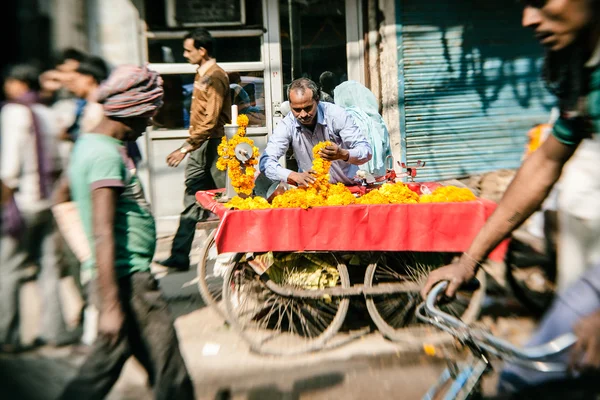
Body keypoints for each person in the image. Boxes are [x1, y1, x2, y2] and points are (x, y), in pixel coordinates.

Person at [420, 0, 600, 392]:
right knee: (521, 382)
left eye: (541, 1)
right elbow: (545, 163)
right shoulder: (583, 73)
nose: (528, 19)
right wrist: (468, 261)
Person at [59, 65, 194, 399]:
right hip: (127, 280)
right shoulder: (105, 155)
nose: (150, 124)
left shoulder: (87, 144)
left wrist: (86, 255)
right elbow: (104, 232)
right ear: (132, 111)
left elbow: (60, 197)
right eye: (148, 116)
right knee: (167, 366)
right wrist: (110, 306)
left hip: (115, 278)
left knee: (123, 366)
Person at [0, 64, 70, 351]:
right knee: (49, 268)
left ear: (18, 84)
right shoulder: (47, 112)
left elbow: (9, 164)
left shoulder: (13, 112)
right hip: (48, 200)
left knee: (9, 268)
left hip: (23, 201)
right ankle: (55, 332)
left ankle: (7, 336)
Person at [157, 28, 231, 271]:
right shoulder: (202, 75)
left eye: (188, 50)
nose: (184, 54)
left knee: (228, 201)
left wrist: (185, 148)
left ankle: (242, 254)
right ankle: (179, 255)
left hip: (213, 145)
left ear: (202, 50)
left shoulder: (215, 76)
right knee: (192, 198)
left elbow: (210, 121)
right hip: (202, 145)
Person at [259, 78, 372, 187]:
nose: (303, 115)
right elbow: (265, 162)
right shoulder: (287, 124)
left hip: (348, 187)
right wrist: (293, 175)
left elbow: (366, 151)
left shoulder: (337, 115)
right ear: (290, 105)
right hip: (312, 191)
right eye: (297, 110)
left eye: (308, 108)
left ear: (317, 100)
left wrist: (343, 154)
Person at [334, 80, 392, 177]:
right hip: (379, 175)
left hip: (354, 177)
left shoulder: (344, 119)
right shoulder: (376, 118)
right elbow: (386, 149)